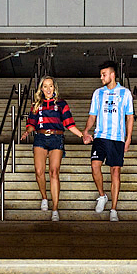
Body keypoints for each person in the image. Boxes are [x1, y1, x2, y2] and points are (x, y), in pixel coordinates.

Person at [21, 76, 85, 221]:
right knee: (39, 171)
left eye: (51, 86)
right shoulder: (36, 105)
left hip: (56, 138)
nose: (48, 89)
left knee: (54, 172)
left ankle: (55, 208)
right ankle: (44, 197)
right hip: (40, 138)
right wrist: (27, 131)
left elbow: (69, 124)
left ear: (54, 88)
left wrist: (82, 135)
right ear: (41, 89)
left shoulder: (62, 104)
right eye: (45, 86)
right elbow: (31, 123)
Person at [82, 60, 134, 222]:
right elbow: (92, 115)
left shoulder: (125, 93)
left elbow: (130, 117)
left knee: (115, 172)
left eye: (104, 75)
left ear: (112, 75)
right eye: (100, 75)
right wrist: (86, 131)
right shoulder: (98, 93)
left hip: (117, 138)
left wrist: (129, 138)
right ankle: (102, 196)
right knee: (94, 165)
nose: (101, 78)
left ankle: (113, 209)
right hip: (100, 136)